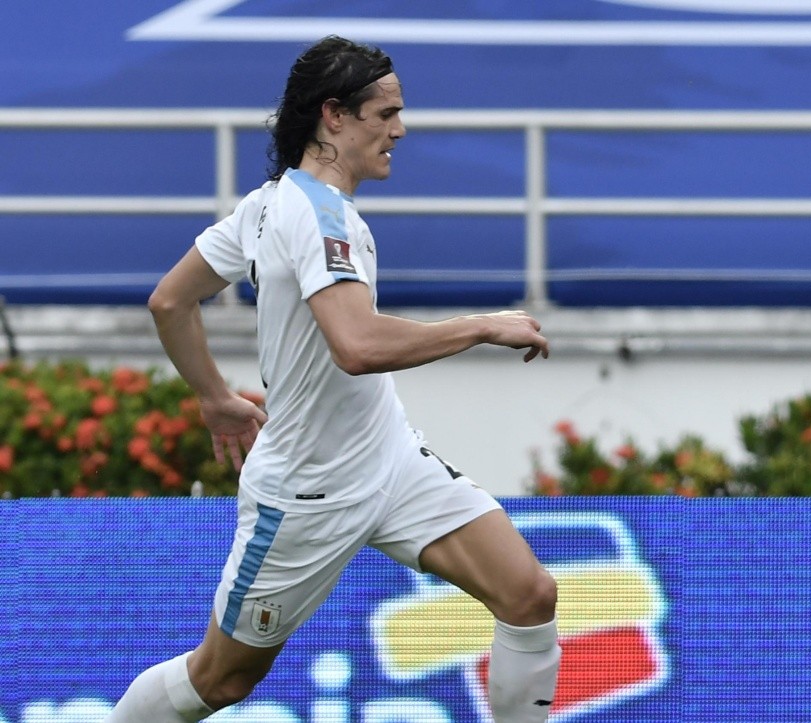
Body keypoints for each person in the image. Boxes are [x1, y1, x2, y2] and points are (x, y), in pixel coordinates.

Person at [107, 36, 561, 722]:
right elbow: (356, 343)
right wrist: (481, 326)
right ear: (334, 117)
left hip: (390, 461)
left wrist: (216, 398)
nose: (400, 130)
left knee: (529, 594)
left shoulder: (269, 203)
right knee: (220, 679)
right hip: (308, 492)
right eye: (386, 113)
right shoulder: (315, 213)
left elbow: (171, 301)